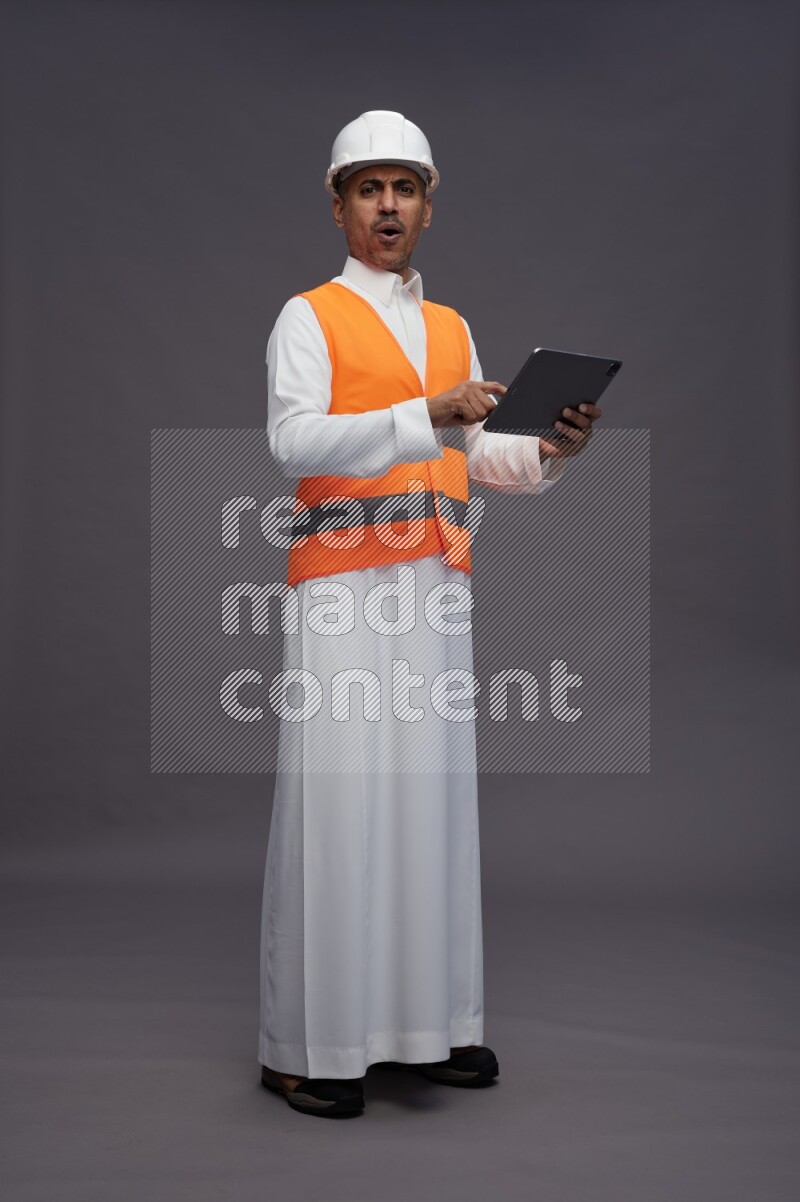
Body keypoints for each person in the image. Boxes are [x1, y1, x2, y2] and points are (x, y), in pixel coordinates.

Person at [258, 110, 601, 1118]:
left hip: (433, 588)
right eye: (367, 188)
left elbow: (479, 460)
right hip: (340, 591)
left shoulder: (450, 327)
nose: (387, 205)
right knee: (337, 806)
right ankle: (302, 1045)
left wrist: (550, 448)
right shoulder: (306, 315)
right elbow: (294, 440)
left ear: (428, 202)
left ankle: (426, 1028)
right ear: (337, 205)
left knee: (427, 805)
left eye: (404, 187)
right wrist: (429, 413)